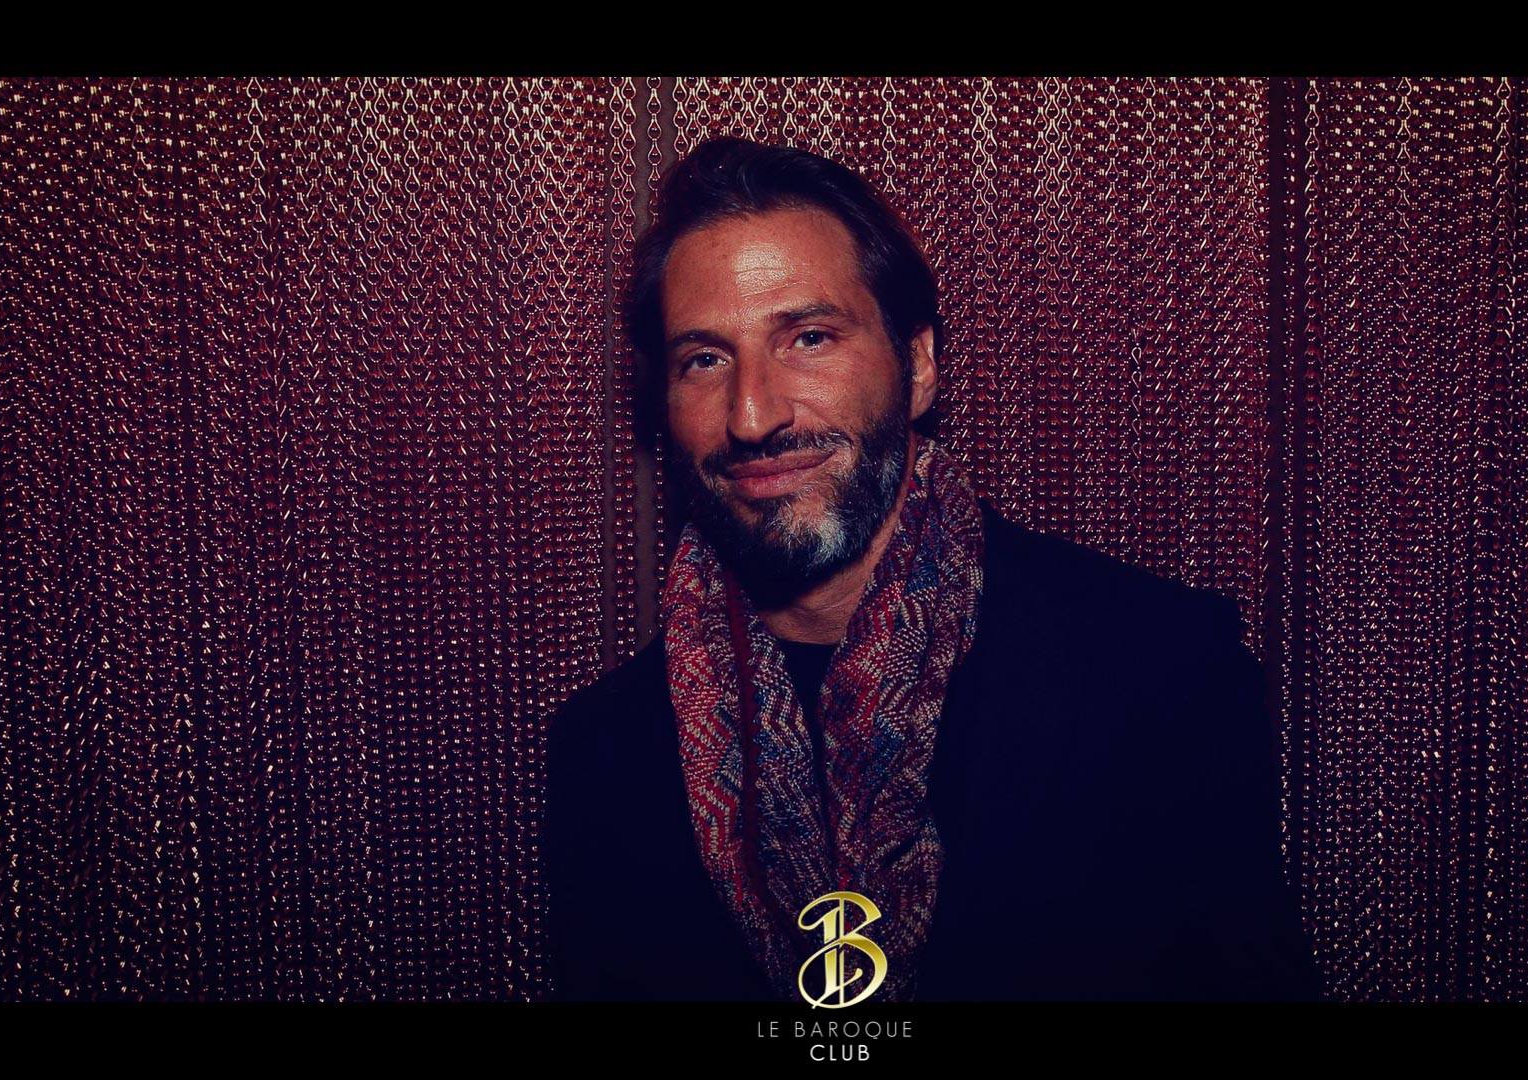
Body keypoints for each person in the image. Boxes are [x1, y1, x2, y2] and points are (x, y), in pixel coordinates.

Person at [541, 136, 1323, 1003]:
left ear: (916, 367)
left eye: (808, 338)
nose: (752, 415)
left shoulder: (1156, 675)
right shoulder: (605, 753)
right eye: (705, 359)